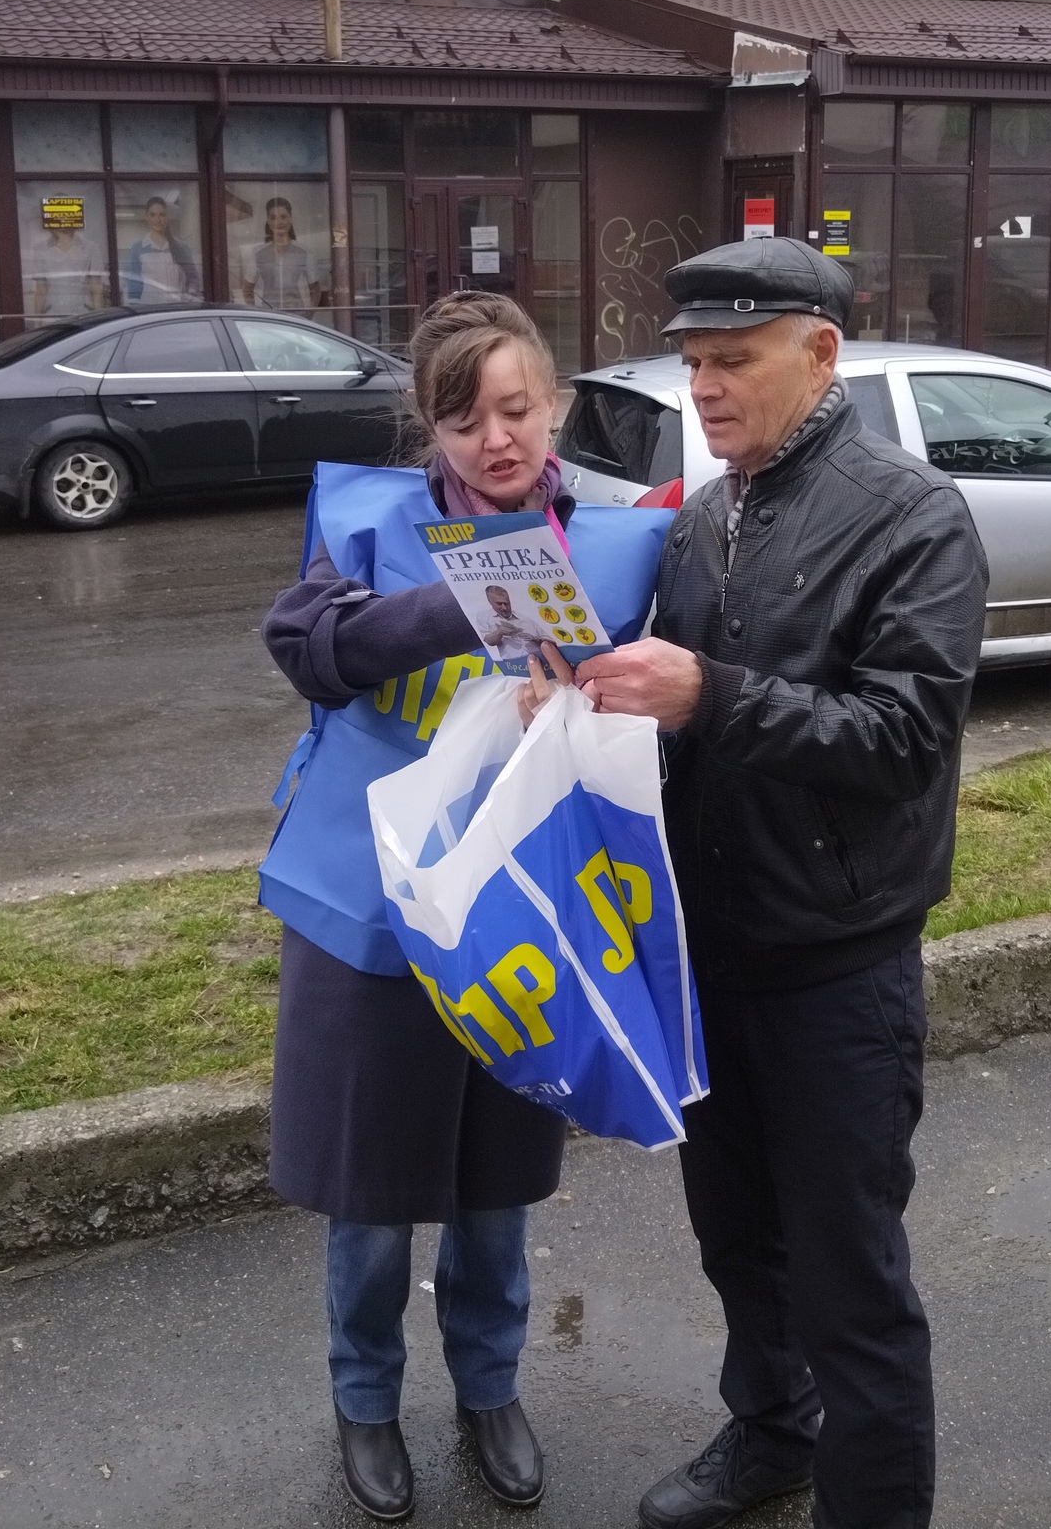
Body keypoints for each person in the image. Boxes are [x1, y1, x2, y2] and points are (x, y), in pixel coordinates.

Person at [560, 237, 989, 1529]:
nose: (704, 388)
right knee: (738, 1240)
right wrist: (589, 706)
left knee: (852, 1287)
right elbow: (687, 733)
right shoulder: (704, 518)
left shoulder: (914, 518)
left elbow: (902, 741)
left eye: (733, 360)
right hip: (710, 960)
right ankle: (772, 1437)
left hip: (838, 973)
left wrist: (709, 694)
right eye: (693, 362)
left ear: (820, 353)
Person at [259, 291, 672, 1523]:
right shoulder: (365, 522)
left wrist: (584, 696)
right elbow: (309, 650)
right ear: (427, 427)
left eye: (515, 410)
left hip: (523, 904)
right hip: (371, 909)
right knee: (375, 1193)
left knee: (496, 1185)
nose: (495, 440)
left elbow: (653, 703)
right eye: (462, 419)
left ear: (554, 405)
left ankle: (490, 1389)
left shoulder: (619, 541)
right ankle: (366, 1400)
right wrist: (478, 595)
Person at [250, 194, 328, 315]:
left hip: (295, 315)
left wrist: (308, 315)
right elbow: (247, 288)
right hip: (268, 315)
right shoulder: (258, 253)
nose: (279, 222)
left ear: (290, 219)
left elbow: (315, 290)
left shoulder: (304, 252)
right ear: (268, 221)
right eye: (273, 217)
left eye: (283, 216)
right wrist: (254, 314)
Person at [123, 194, 199, 304]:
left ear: (167, 217)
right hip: (150, 309)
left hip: (177, 308)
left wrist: (190, 295)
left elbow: (192, 277)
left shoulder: (181, 247)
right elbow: (133, 284)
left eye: (162, 215)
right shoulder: (138, 249)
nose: (157, 220)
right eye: (153, 215)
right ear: (147, 217)